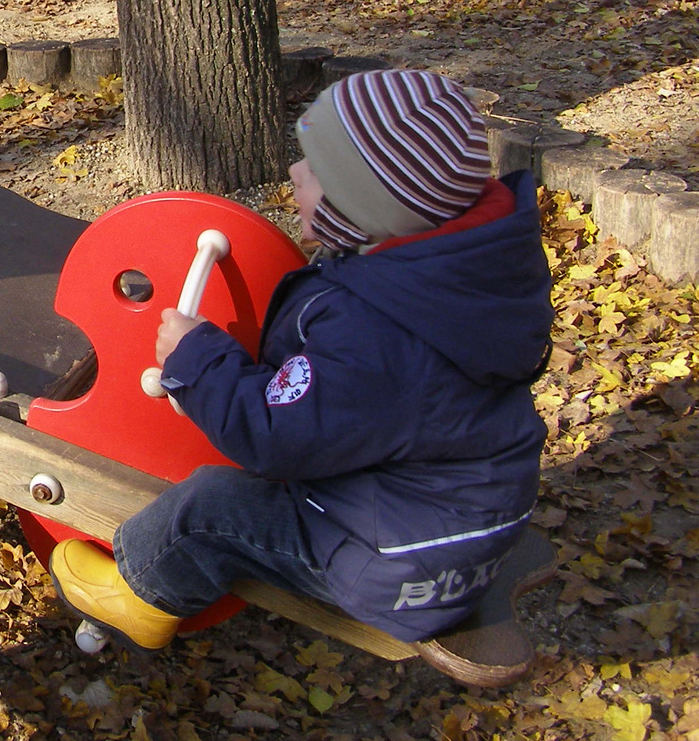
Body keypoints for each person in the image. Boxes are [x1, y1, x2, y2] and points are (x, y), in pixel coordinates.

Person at [49, 68, 553, 658]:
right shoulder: (455, 277)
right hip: (450, 517)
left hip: (392, 565)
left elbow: (274, 437)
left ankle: (141, 595)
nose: (293, 172)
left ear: (361, 208)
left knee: (210, 506)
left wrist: (197, 358)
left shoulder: (377, 336)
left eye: (315, 170)